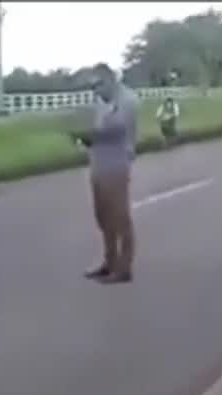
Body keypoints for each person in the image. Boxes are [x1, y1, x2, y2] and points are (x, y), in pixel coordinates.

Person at [70, 63, 140, 284]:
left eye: (97, 85)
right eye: (92, 87)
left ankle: (124, 267)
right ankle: (109, 261)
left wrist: (89, 135)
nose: (94, 91)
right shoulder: (101, 101)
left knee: (120, 217)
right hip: (99, 163)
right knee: (103, 217)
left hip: (117, 164)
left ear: (109, 80)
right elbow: (96, 128)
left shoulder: (128, 100)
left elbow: (116, 129)